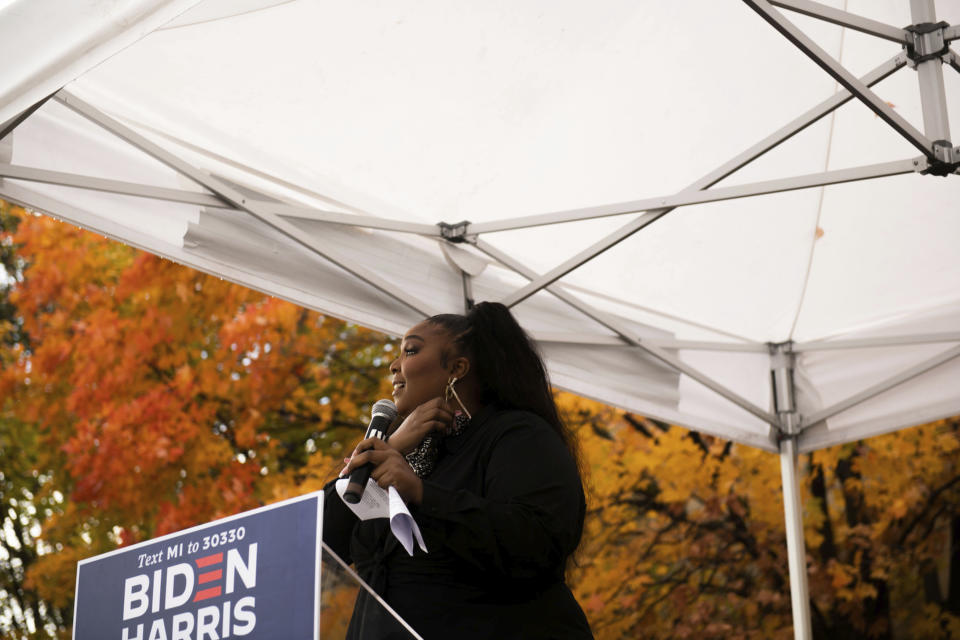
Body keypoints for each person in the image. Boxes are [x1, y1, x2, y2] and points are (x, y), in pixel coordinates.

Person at [323, 301, 594, 639]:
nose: (394, 366)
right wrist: (391, 445)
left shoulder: (518, 435)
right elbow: (321, 536)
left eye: (410, 351)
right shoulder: (408, 452)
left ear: (457, 368)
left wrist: (421, 494)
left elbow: (537, 542)